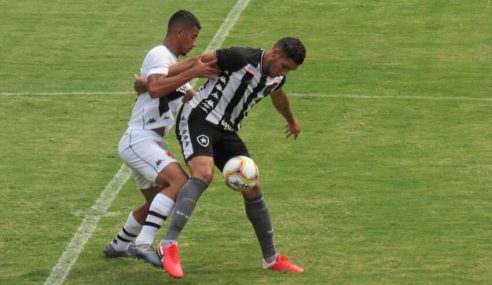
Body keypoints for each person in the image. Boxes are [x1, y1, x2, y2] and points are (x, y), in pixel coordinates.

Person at [147, 37, 307, 278]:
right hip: (198, 118)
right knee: (204, 173)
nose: (285, 72)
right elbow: (200, 61)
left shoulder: (277, 76)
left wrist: (291, 120)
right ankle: (169, 244)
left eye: (289, 70)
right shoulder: (240, 57)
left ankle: (271, 257)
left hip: (226, 130)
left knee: (253, 186)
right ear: (274, 52)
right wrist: (160, 75)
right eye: (285, 66)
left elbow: (277, 95)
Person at [103, 10, 217, 267]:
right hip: (140, 139)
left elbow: (185, 93)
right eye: (193, 36)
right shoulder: (159, 54)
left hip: (148, 142)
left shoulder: (169, 64)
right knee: (180, 183)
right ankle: (142, 244)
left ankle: (119, 244)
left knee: (158, 202)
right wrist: (192, 71)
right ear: (179, 32)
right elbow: (156, 88)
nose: (194, 43)